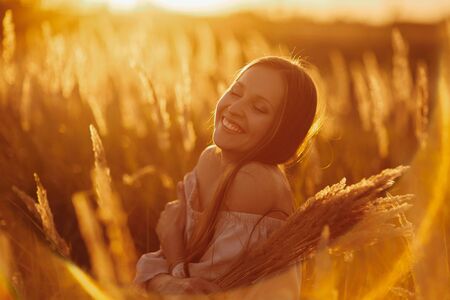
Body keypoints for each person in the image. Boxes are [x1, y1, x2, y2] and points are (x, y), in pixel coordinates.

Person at [134, 56, 319, 297]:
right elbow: (162, 275)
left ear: (283, 131)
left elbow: (200, 293)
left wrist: (173, 249)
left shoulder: (255, 181)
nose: (235, 108)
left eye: (259, 108)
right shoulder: (211, 159)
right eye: (236, 92)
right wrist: (168, 275)